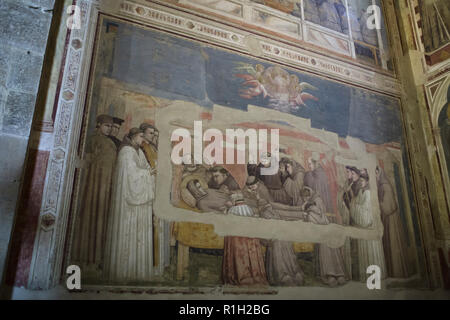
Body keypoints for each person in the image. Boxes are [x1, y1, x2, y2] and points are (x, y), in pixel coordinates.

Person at [188, 176, 268, 286]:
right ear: (194, 191)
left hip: (237, 201)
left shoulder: (208, 191)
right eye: (197, 188)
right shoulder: (201, 203)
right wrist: (226, 208)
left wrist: (229, 194)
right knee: (259, 211)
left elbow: (224, 193)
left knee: (263, 204)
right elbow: (214, 214)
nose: (201, 189)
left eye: (200, 186)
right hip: (232, 210)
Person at [104, 128, 155, 282]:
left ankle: (137, 271)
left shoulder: (138, 151)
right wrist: (148, 174)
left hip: (140, 202)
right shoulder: (126, 152)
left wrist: (149, 172)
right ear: (133, 137)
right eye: (141, 136)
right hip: (129, 203)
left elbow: (145, 168)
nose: (143, 139)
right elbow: (131, 175)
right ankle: (123, 271)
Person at [71, 114, 117, 273]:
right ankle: (84, 259)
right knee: (90, 218)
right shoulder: (93, 140)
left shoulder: (110, 142)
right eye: (106, 126)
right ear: (98, 125)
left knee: (101, 220)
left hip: (106, 185)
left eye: (111, 126)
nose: (109, 129)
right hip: (93, 184)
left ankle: (96, 260)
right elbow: (87, 159)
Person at [245, 176, 304, 286]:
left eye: (254, 185)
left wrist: (300, 211)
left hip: (272, 221)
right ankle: (281, 275)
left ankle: (292, 272)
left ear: (258, 184)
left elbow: (282, 208)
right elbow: (253, 212)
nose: (253, 188)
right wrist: (256, 200)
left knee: (284, 239)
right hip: (262, 227)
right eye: (250, 186)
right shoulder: (247, 196)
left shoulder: (263, 194)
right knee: (276, 241)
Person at [300, 187, 347, 287]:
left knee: (325, 248)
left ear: (307, 197)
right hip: (327, 232)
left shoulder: (311, 210)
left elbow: (313, 224)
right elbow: (322, 216)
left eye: (305, 198)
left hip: (322, 235)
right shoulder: (317, 201)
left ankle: (330, 275)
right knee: (331, 248)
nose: (305, 199)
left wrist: (305, 212)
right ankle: (339, 275)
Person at [376, 166, 412, 278]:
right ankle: (392, 272)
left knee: (393, 243)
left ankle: (398, 272)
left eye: (376, 173)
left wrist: (378, 205)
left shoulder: (385, 186)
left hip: (391, 220)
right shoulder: (380, 186)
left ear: (380, 173)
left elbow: (389, 206)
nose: (375, 176)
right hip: (386, 220)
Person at [349, 172, 386, 282]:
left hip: (368, 225)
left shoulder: (369, 193)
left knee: (371, 252)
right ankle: (366, 277)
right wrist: (353, 201)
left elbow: (365, 211)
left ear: (366, 181)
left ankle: (375, 278)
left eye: (362, 181)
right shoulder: (361, 191)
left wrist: (354, 206)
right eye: (359, 181)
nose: (360, 183)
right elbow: (357, 202)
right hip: (362, 226)